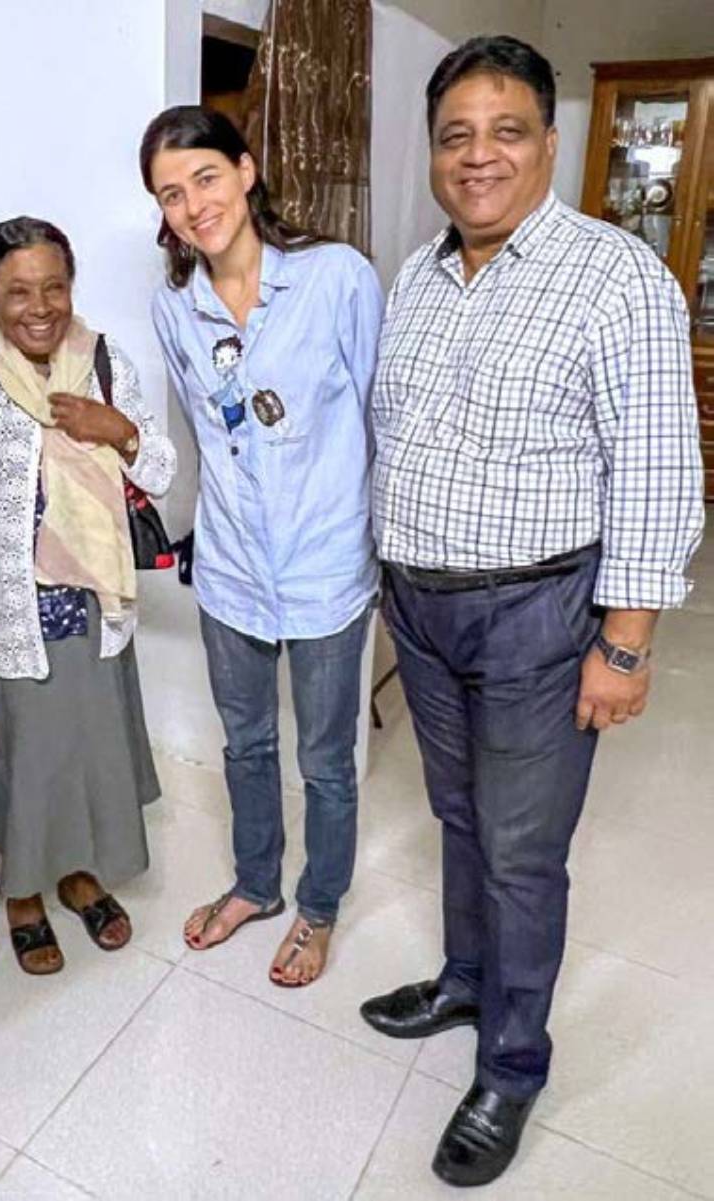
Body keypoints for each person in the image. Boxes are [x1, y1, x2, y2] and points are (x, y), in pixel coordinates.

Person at [362, 37, 705, 1187]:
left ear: (550, 145)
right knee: (460, 816)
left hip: (539, 617)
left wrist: (626, 643)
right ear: (434, 154)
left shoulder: (616, 278)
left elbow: (659, 474)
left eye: (506, 131)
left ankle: (512, 1063)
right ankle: (466, 982)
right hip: (423, 607)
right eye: (456, 135)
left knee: (521, 851)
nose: (479, 156)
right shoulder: (417, 274)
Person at [141, 106, 384, 987]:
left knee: (325, 758)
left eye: (205, 176)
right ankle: (255, 885)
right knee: (245, 745)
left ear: (246, 172)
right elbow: (209, 431)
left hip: (325, 563)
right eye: (171, 194)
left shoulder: (335, 278)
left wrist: (379, 550)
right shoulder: (178, 304)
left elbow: (376, 417)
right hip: (234, 566)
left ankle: (318, 907)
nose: (193, 204)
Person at [0, 217, 175, 975]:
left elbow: (161, 471)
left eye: (55, 287)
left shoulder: (102, 362)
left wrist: (121, 431)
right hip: (10, 612)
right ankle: (25, 895)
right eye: (17, 291)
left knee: (87, 748)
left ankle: (77, 874)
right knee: (28, 758)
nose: (39, 306)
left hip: (95, 605)